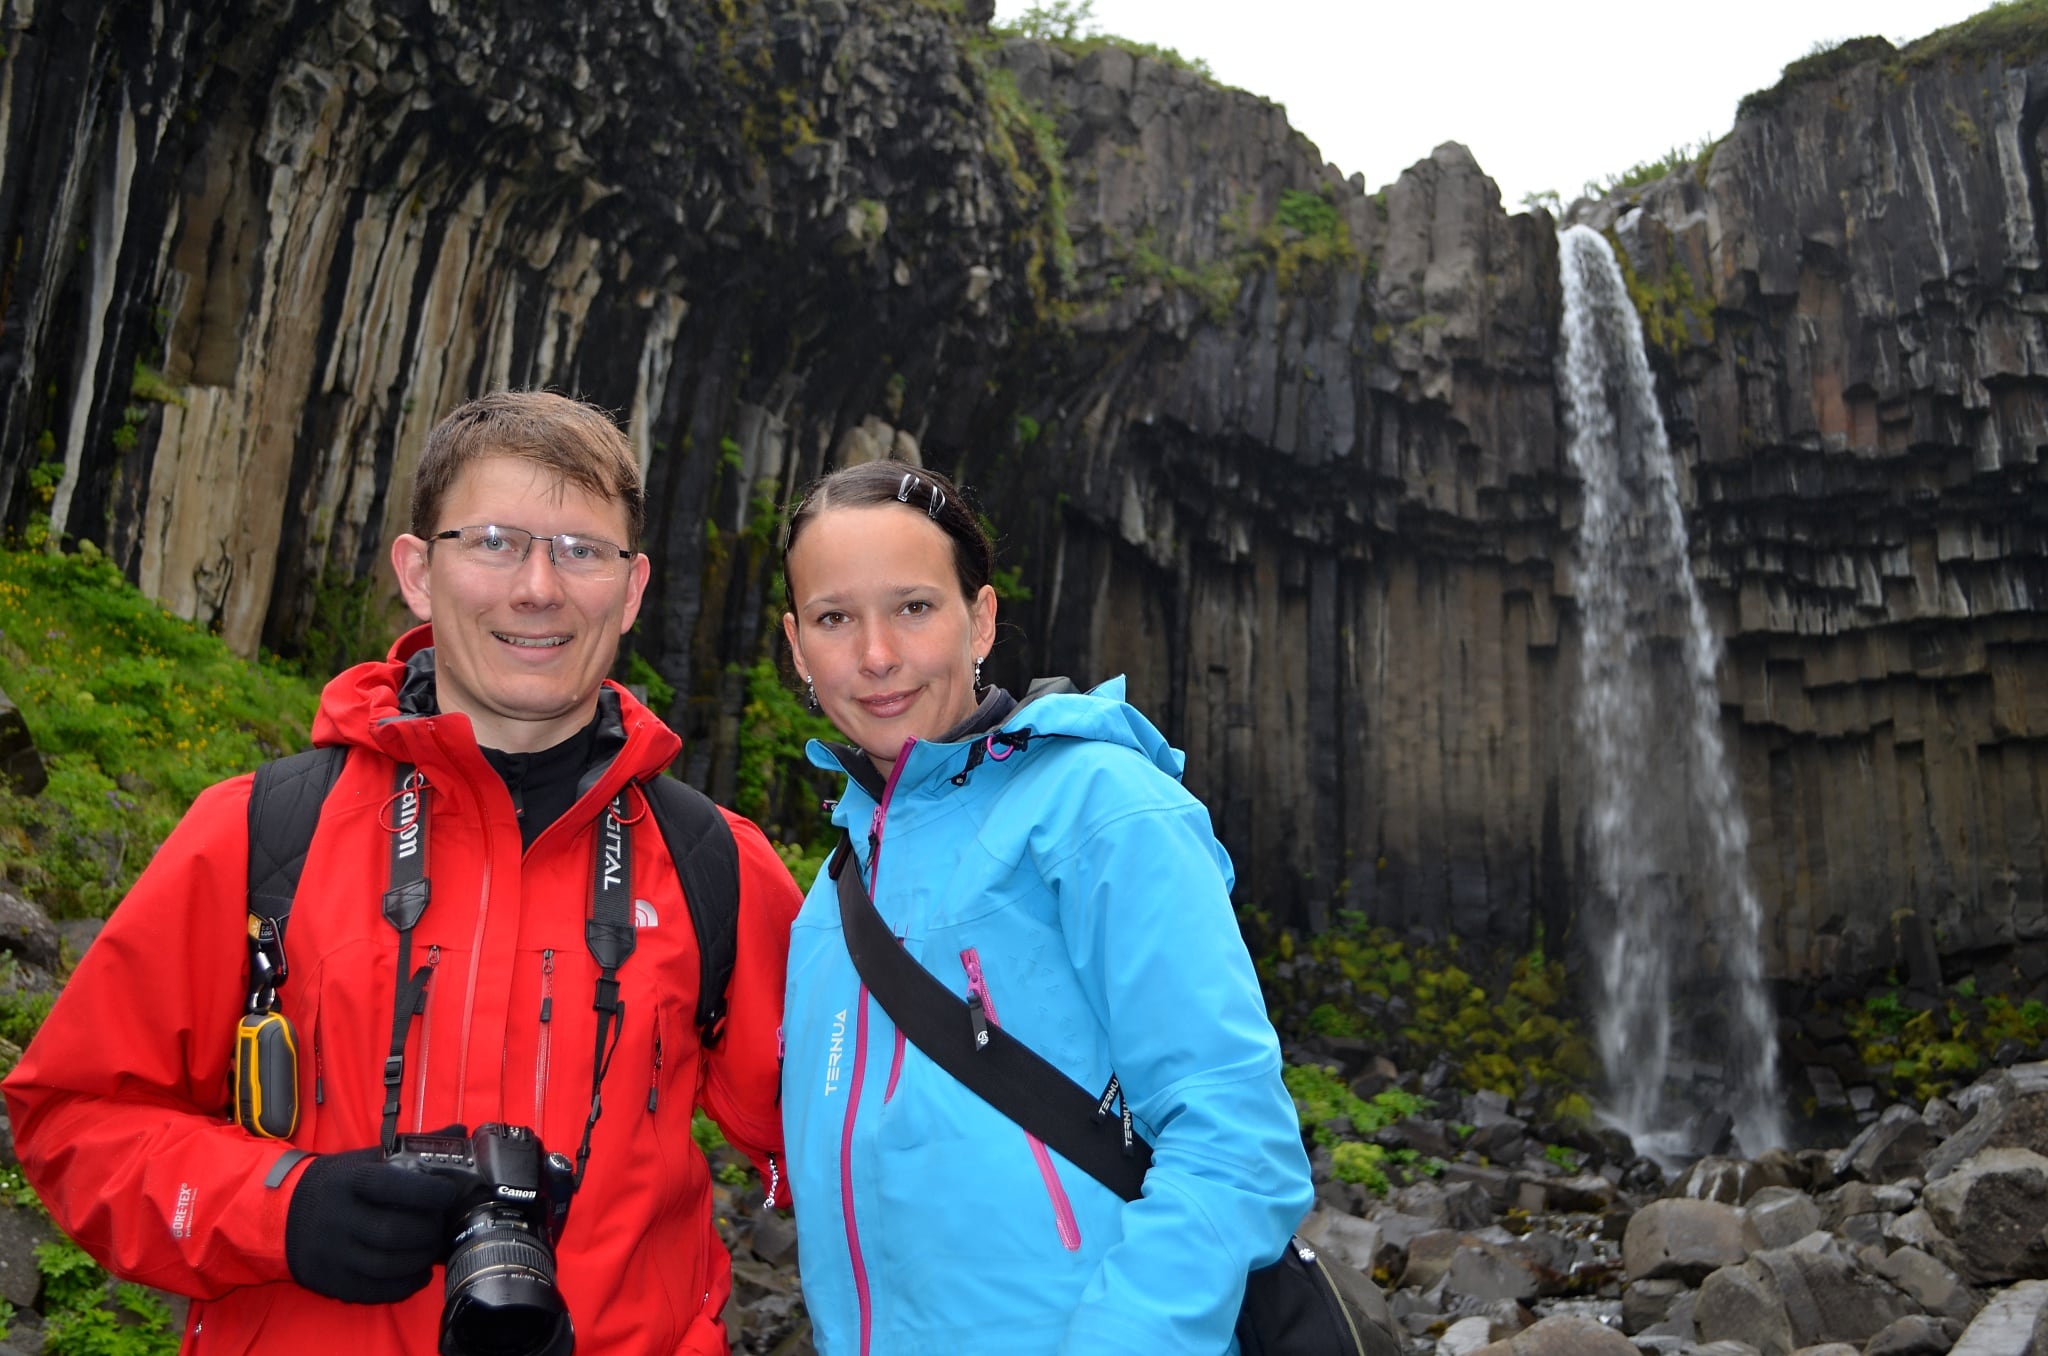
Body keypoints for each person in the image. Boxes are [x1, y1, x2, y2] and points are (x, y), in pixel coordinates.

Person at [3, 391, 802, 1354]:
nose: (538, 587)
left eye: (581, 551)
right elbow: (73, 1119)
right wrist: (279, 1209)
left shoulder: (715, 866)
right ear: (419, 572)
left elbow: (843, 1152)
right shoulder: (260, 835)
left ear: (631, 590)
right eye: (494, 542)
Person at [775, 459, 1312, 1353]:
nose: (875, 656)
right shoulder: (828, 907)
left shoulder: (1098, 810)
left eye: (914, 607)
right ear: (798, 647)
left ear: (981, 619)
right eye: (836, 618)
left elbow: (1235, 1142)